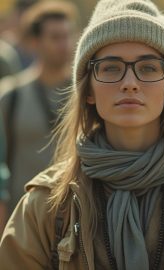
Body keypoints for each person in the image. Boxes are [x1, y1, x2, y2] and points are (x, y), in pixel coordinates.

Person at [0, 1, 164, 269]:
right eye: (111, 68)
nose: (129, 84)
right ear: (89, 90)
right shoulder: (44, 205)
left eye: (149, 68)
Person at [0, 0, 77, 215]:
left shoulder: (87, 93)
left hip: (75, 217)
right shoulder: (11, 95)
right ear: (34, 42)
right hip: (23, 217)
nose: (65, 44)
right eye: (55, 37)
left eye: (67, 35)